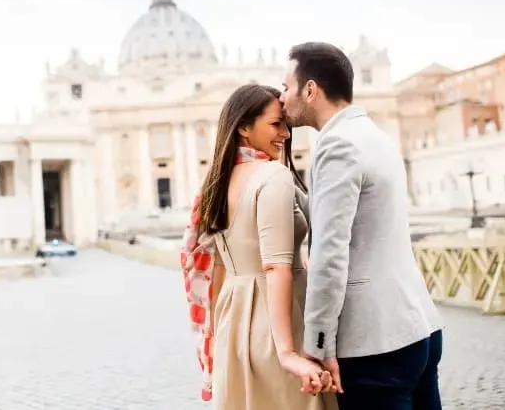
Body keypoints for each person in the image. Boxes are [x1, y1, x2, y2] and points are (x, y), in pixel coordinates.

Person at [280, 42, 444, 410]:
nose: (282, 96)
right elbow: (359, 220)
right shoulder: (373, 135)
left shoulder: (337, 145)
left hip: (376, 342)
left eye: (287, 86)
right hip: (419, 326)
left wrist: (318, 344)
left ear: (310, 90)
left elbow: (329, 252)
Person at [180, 83, 337, 409]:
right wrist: (288, 353)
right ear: (244, 127)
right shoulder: (273, 176)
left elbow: (218, 266)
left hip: (232, 321)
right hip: (279, 319)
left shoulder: (214, 184)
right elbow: (275, 266)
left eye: (287, 125)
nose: (285, 134)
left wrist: (217, 334)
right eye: (276, 124)